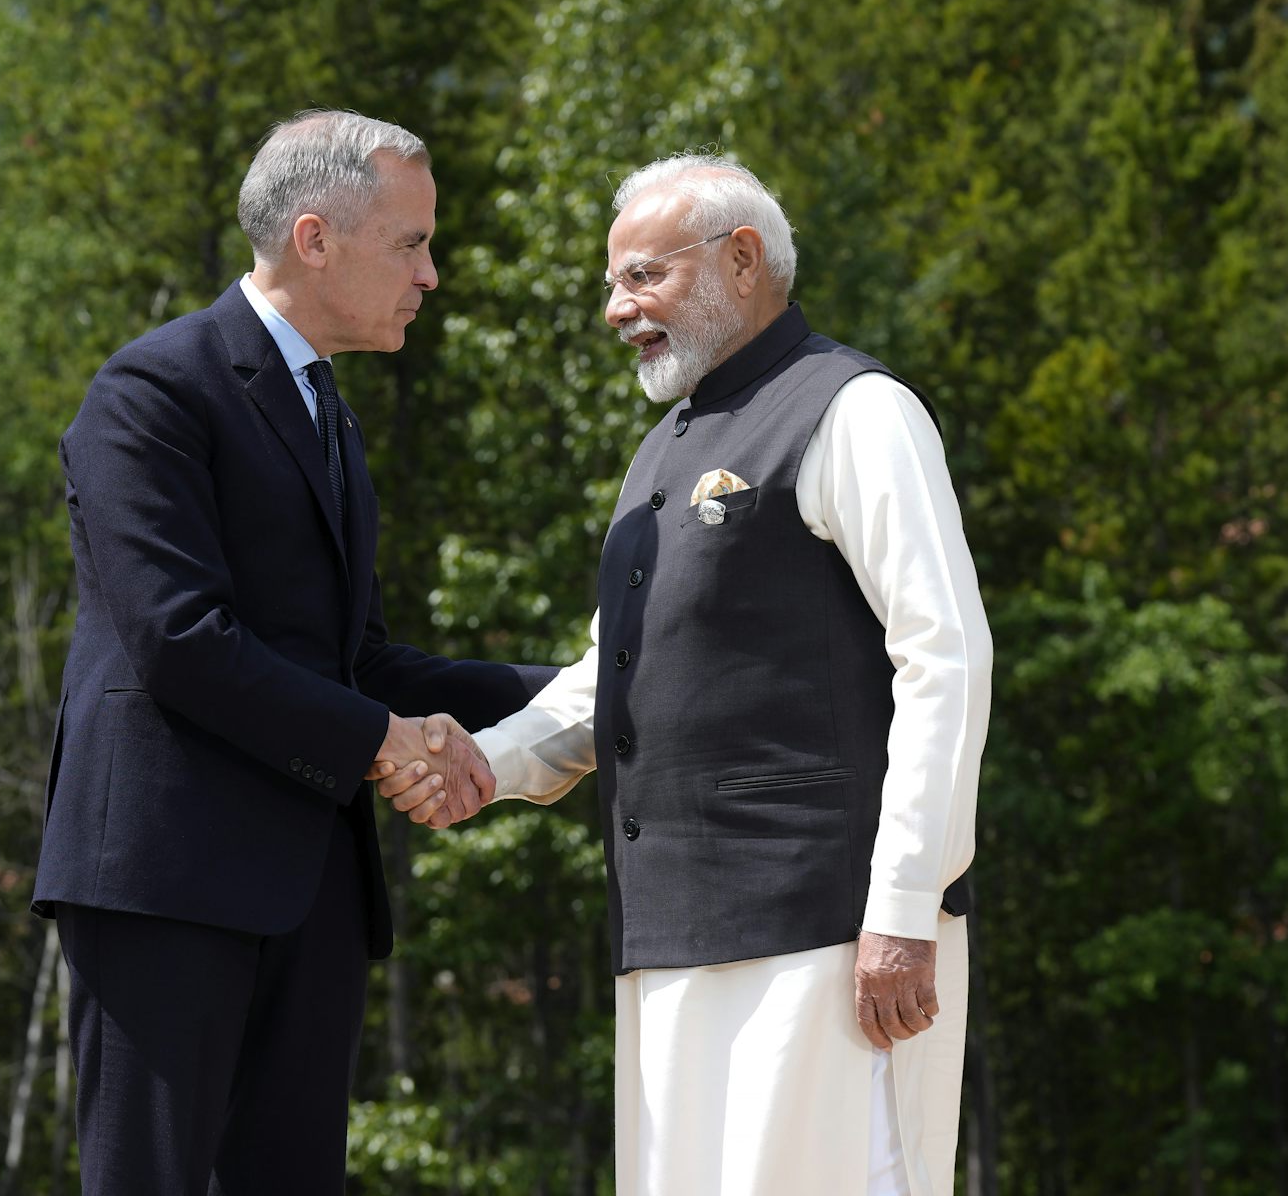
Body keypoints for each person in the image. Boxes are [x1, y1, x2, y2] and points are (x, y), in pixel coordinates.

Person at [377, 154, 992, 1195]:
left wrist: (902, 905)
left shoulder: (857, 410)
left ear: (743, 259)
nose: (618, 309)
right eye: (614, 283)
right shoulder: (659, 452)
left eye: (643, 276)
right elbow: (608, 676)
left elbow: (948, 657)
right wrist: (478, 761)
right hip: (666, 934)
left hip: (826, 937)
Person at [31, 109, 554, 1195]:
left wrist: (585, 688)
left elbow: (354, 660)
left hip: (308, 892)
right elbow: (181, 640)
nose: (433, 274)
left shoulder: (330, 415)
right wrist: (382, 741)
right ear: (315, 239)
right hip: (164, 882)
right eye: (412, 243)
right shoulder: (151, 392)